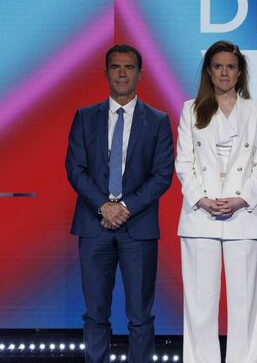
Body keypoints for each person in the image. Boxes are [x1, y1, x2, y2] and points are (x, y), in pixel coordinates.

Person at [65, 44, 174, 363]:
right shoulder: (85, 117)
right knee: (95, 314)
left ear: (140, 74)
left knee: (140, 316)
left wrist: (124, 207)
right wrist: (103, 205)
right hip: (93, 225)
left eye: (129, 67)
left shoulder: (157, 120)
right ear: (106, 73)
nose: (122, 73)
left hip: (137, 229)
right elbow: (75, 168)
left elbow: (162, 174)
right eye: (116, 67)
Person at [175, 40, 257, 363]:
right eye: (218, 66)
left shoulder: (255, 110)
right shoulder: (191, 109)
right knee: (200, 306)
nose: (224, 72)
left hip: (243, 216)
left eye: (230, 66)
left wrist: (241, 199)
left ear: (240, 71)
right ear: (209, 71)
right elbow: (184, 163)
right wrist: (201, 199)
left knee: (245, 306)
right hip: (200, 217)